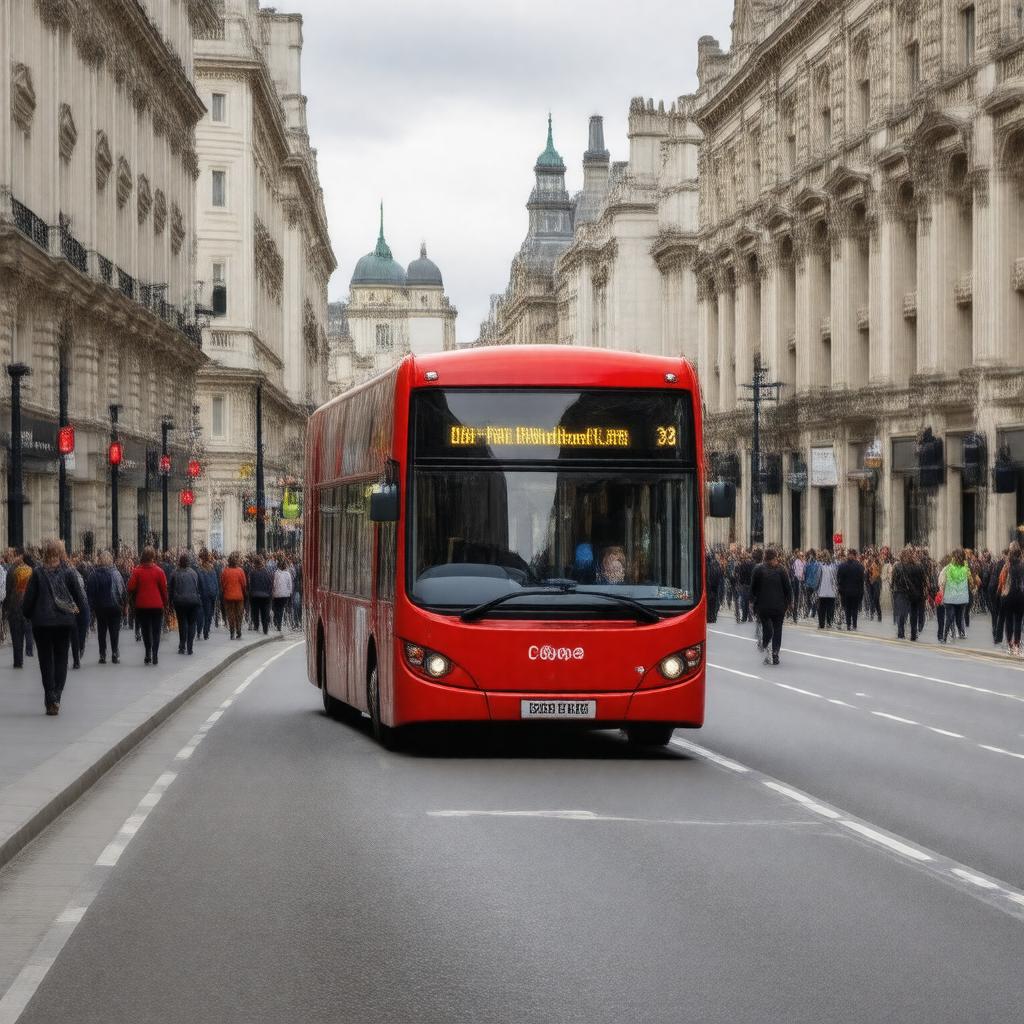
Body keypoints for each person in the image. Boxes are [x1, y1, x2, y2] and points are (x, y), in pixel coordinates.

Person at [22, 538, 88, 715]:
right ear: (61, 553)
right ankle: (56, 695)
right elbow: (81, 600)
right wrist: (80, 623)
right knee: (61, 659)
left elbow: (28, 601)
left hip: (42, 623)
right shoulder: (69, 572)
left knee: (45, 661)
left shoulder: (37, 573)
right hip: (64, 623)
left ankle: (50, 697)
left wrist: (29, 615)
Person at [750, 547, 792, 666]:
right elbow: (788, 588)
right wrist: (789, 602)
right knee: (773, 629)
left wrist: (789, 603)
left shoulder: (764, 570)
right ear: (771, 559)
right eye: (775, 559)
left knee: (773, 629)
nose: (776, 561)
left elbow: (788, 588)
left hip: (771, 607)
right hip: (771, 607)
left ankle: (773, 652)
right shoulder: (766, 570)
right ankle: (771, 650)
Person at [128, 547, 168, 665]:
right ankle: (155, 654)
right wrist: (165, 603)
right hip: (157, 605)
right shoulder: (159, 571)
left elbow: (130, 587)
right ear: (153, 556)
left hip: (142, 606)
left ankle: (147, 653)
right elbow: (164, 590)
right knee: (156, 631)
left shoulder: (137, 571)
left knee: (146, 631)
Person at [86, 551, 126, 664]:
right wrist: (124, 604)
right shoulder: (116, 573)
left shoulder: (93, 574)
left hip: (100, 607)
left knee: (102, 630)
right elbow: (122, 590)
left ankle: (102, 654)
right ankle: (114, 652)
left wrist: (91, 608)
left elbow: (90, 593)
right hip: (115, 606)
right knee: (114, 631)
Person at [169, 553, 202, 655]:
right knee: (192, 623)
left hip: (180, 602)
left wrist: (170, 602)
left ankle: (182, 645)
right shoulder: (194, 573)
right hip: (193, 601)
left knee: (182, 623)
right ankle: (190, 647)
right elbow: (198, 587)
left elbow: (171, 589)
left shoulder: (175, 573)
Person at [7, 552, 35, 668]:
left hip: (14, 604)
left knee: (16, 634)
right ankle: (29, 649)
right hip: (27, 605)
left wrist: (7, 607)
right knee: (27, 629)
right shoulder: (31, 571)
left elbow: (8, 590)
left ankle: (18, 661)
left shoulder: (11, 570)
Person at [892, 548, 925, 641]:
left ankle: (901, 633)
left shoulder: (898, 566)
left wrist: (893, 591)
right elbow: (923, 581)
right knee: (913, 614)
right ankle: (913, 635)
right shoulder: (919, 566)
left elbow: (893, 580)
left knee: (901, 614)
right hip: (915, 594)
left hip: (902, 593)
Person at [937, 549, 970, 643]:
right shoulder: (960, 568)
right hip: (956, 597)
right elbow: (942, 581)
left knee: (953, 617)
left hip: (955, 597)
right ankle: (951, 635)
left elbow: (941, 581)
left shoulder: (953, 568)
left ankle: (950, 635)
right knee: (954, 617)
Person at [836, 548, 866, 631]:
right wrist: (861, 592)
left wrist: (840, 590)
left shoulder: (842, 566)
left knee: (847, 608)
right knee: (854, 609)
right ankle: (854, 625)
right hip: (856, 592)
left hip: (845, 592)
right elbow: (861, 581)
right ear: (855, 555)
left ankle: (848, 624)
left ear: (848, 555)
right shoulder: (860, 566)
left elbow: (838, 579)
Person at [220, 552, 248, 639]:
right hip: (239, 596)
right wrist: (244, 593)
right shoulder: (240, 571)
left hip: (228, 596)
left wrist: (224, 592)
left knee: (230, 614)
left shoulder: (225, 571)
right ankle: (238, 630)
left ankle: (232, 631)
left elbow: (222, 584)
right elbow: (244, 584)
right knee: (239, 614)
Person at [197, 551, 219, 641]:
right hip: (211, 596)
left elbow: (198, 585)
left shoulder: (199, 570)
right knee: (208, 615)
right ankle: (206, 633)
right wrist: (216, 594)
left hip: (202, 595)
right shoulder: (212, 570)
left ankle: (199, 631)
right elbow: (216, 584)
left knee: (201, 614)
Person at [815, 550, 839, 629]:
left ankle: (826, 623)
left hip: (828, 591)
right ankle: (826, 623)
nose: (824, 558)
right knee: (826, 608)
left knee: (825, 608)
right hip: (825, 591)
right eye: (823, 557)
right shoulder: (826, 566)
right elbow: (818, 578)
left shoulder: (831, 566)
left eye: (824, 556)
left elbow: (835, 578)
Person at [272, 558, 294, 631]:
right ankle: (279, 624)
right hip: (285, 594)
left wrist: (273, 592)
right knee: (281, 609)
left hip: (277, 594)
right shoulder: (288, 574)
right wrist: (290, 593)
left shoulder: (276, 573)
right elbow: (290, 584)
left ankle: (276, 620)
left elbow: (274, 584)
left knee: (276, 608)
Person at [705, 548, 723, 623]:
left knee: (710, 603)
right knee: (714, 603)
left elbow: (708, 578)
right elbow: (720, 578)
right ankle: (713, 617)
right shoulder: (717, 567)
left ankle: (710, 617)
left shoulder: (708, 567)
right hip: (715, 588)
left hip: (710, 587)